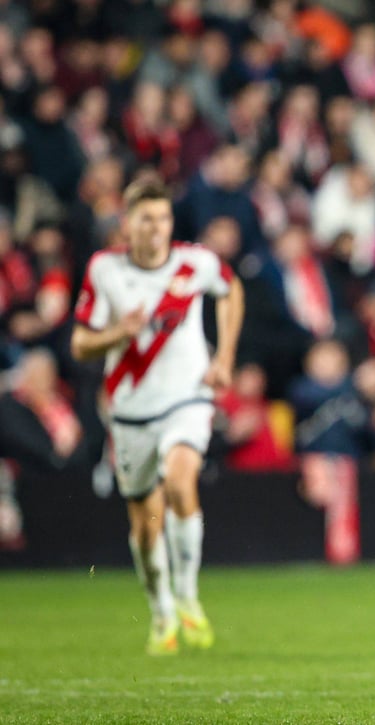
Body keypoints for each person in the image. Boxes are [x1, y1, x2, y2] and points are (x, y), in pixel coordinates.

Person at [71, 179, 244, 655]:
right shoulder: (105, 270)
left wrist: (224, 356)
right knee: (145, 525)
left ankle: (187, 594)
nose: (156, 228)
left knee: (181, 479)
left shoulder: (196, 262)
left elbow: (230, 291)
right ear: (127, 223)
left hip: (187, 398)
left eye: (163, 218)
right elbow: (80, 343)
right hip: (129, 412)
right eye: (146, 219)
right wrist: (116, 335)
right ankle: (162, 609)